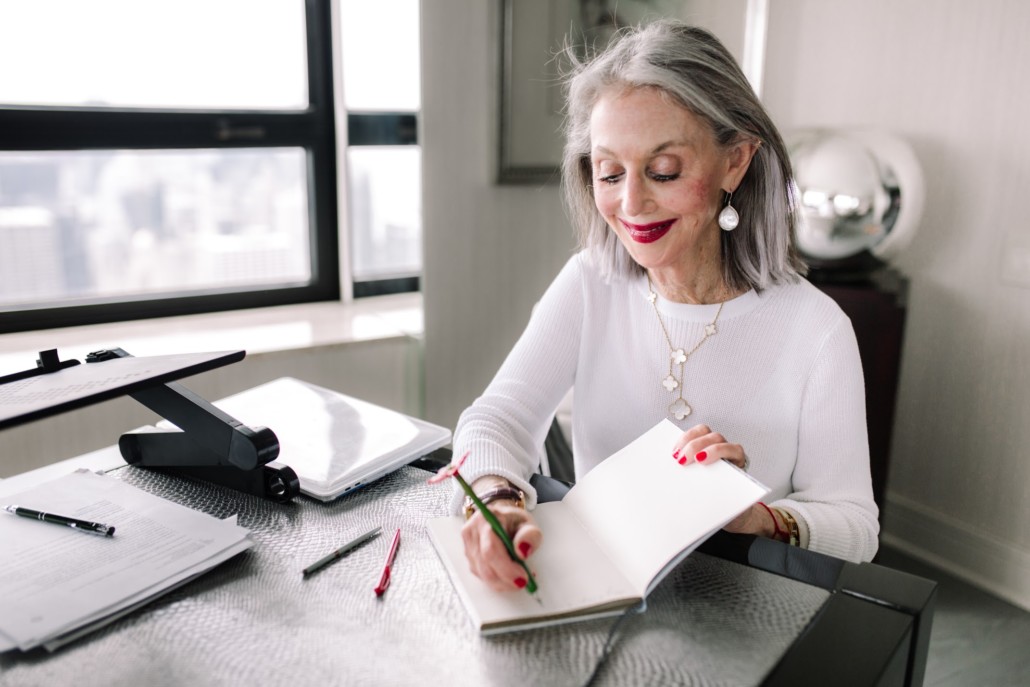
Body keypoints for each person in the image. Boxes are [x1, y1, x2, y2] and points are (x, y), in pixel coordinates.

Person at [450, 20, 879, 593]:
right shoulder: (589, 283)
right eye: (609, 172)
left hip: (740, 609)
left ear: (736, 162)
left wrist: (761, 519)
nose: (631, 204)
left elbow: (856, 525)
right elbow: (495, 418)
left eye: (664, 171)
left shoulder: (816, 329)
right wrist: (496, 502)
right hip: (597, 594)